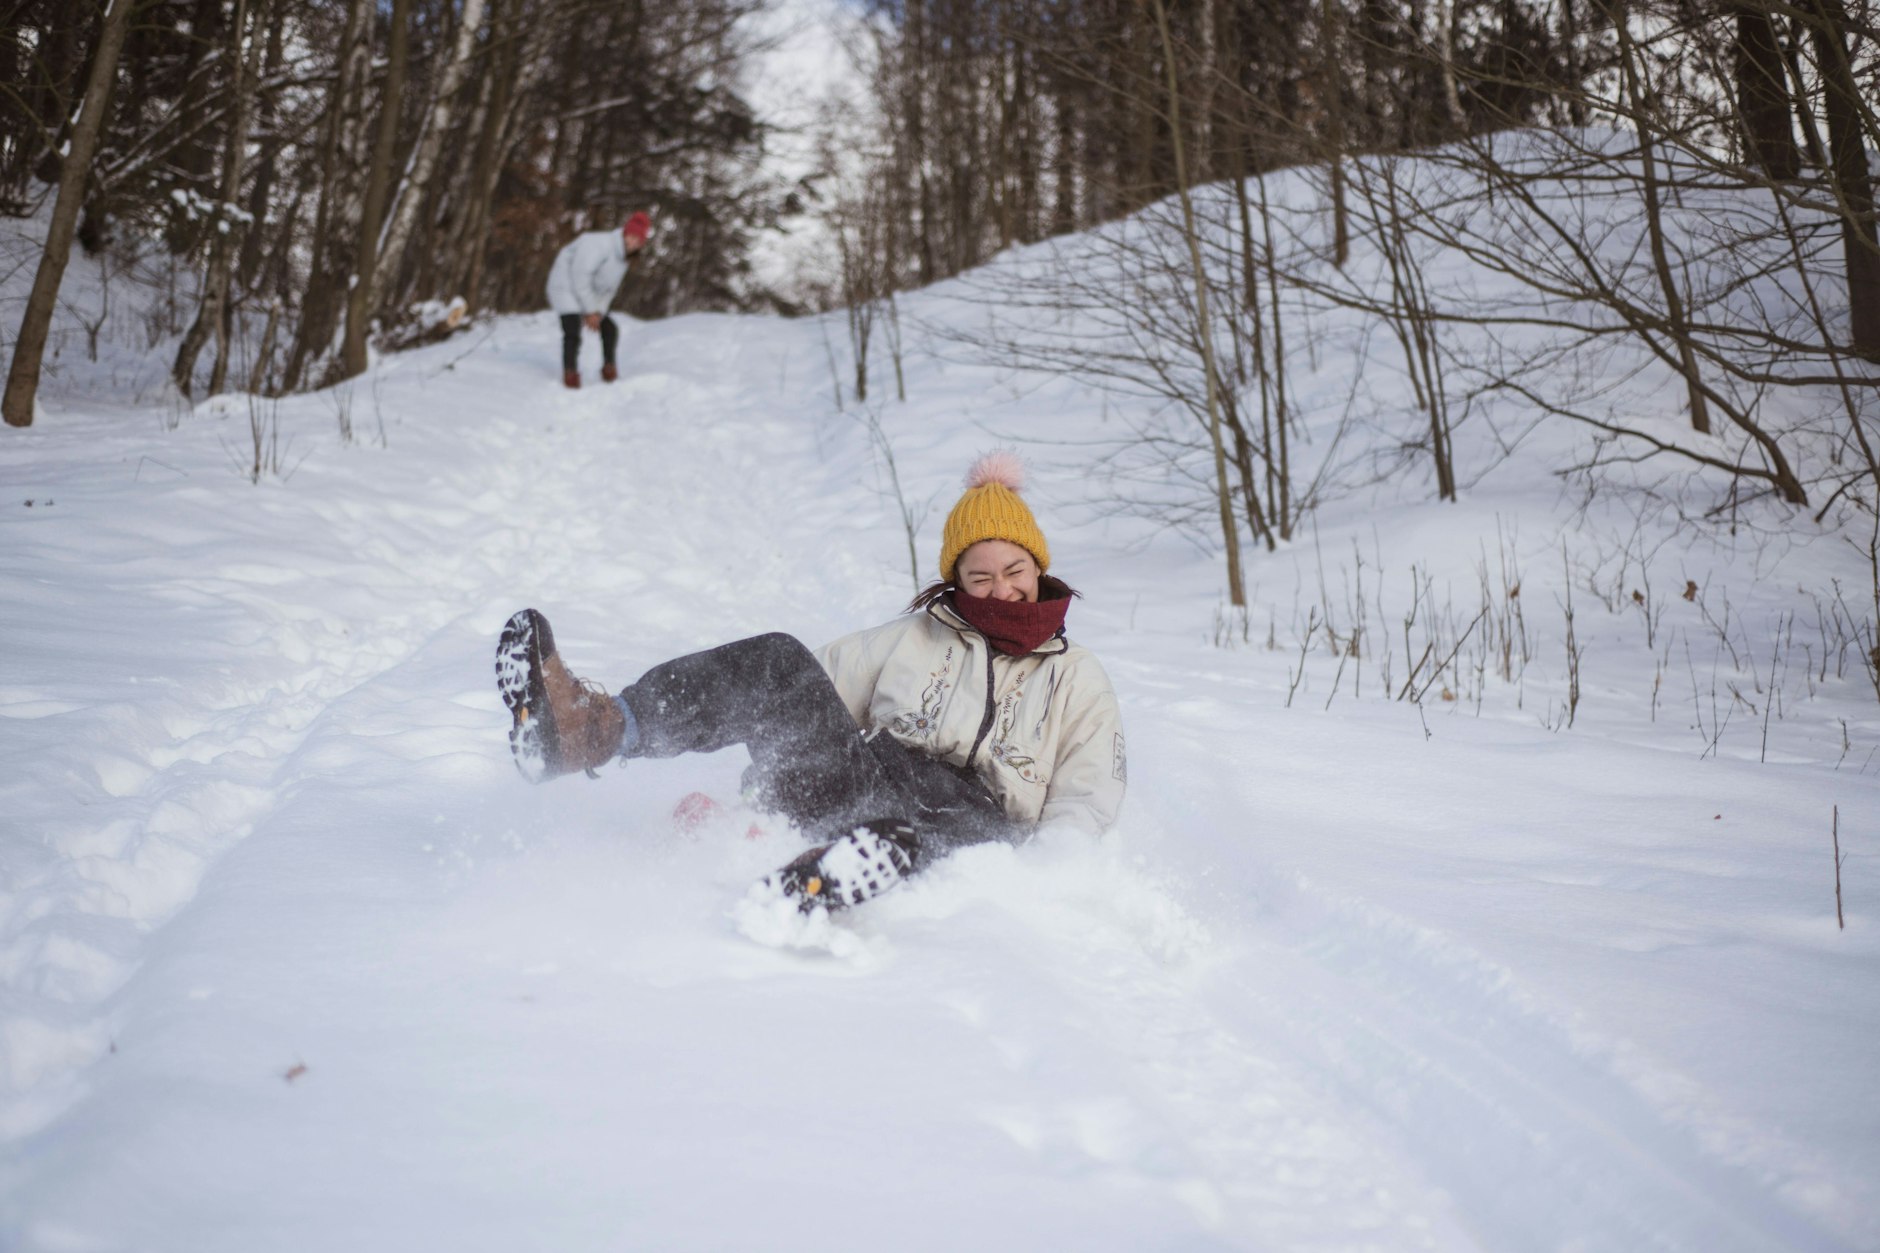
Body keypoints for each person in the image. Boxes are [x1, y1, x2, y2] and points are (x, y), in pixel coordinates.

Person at [493, 452, 1126, 911]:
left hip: (976, 827)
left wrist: (1038, 888)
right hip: (866, 784)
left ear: (1039, 567)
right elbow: (800, 697)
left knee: (913, 839)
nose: (1000, 589)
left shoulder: (1077, 678)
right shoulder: (912, 638)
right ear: (956, 580)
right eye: (979, 576)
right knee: (776, 660)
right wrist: (769, 787)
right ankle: (592, 728)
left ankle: (823, 869)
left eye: (1013, 569)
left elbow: (1086, 797)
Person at [544, 212, 651, 389]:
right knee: (572, 328)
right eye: (632, 237)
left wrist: (598, 312)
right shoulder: (599, 244)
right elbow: (580, 276)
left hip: (587, 294)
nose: (633, 243)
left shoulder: (623, 260)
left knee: (609, 328)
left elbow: (609, 291)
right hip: (565, 285)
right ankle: (570, 373)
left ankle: (609, 368)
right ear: (625, 233)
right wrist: (591, 310)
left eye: (638, 241)